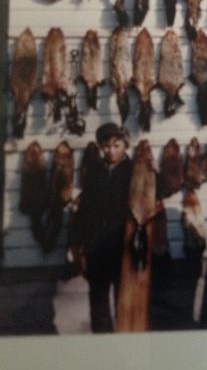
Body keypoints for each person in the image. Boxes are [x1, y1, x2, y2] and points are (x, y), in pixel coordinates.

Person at [69, 123, 132, 333]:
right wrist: (76, 242)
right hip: (96, 248)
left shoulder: (133, 171)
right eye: (106, 146)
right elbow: (84, 209)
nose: (111, 151)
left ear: (125, 145)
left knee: (124, 301)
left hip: (123, 247)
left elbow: (150, 200)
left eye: (116, 145)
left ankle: (123, 343)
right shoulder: (94, 172)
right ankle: (102, 341)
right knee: (98, 301)